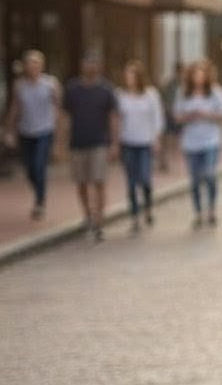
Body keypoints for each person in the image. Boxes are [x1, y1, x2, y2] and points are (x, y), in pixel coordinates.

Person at [63, 50, 119, 242]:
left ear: (99, 66)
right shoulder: (72, 89)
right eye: (87, 63)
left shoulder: (106, 90)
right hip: (77, 142)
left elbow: (113, 118)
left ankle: (99, 221)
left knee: (98, 181)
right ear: (82, 66)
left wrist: (114, 143)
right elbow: (65, 117)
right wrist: (60, 143)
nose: (90, 67)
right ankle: (87, 215)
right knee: (81, 182)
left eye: (94, 63)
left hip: (99, 143)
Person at [3, 50, 62, 220]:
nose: (33, 66)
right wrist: (9, 130)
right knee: (29, 168)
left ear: (42, 66)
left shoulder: (50, 84)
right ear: (26, 66)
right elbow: (15, 108)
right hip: (26, 131)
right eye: (30, 63)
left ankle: (40, 202)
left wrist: (59, 137)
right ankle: (39, 191)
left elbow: (58, 109)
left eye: (36, 63)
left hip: (45, 130)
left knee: (39, 165)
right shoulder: (19, 86)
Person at [174, 58, 222, 229]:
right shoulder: (183, 93)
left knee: (210, 174)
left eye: (201, 75)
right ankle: (198, 212)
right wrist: (190, 116)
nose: (198, 78)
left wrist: (207, 114)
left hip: (211, 140)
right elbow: (177, 116)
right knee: (195, 179)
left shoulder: (215, 92)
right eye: (195, 75)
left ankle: (211, 209)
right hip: (191, 142)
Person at [116, 59, 164, 233]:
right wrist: (117, 142)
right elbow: (118, 120)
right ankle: (135, 216)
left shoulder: (151, 95)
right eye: (127, 74)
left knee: (144, 178)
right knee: (130, 182)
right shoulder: (120, 95)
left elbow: (157, 118)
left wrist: (156, 139)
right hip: (128, 142)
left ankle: (148, 207)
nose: (129, 78)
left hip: (145, 142)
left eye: (132, 74)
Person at [159, 61, 184, 171]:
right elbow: (165, 98)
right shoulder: (170, 83)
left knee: (177, 138)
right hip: (169, 113)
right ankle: (166, 161)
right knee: (168, 138)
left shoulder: (184, 83)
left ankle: (175, 161)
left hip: (179, 114)